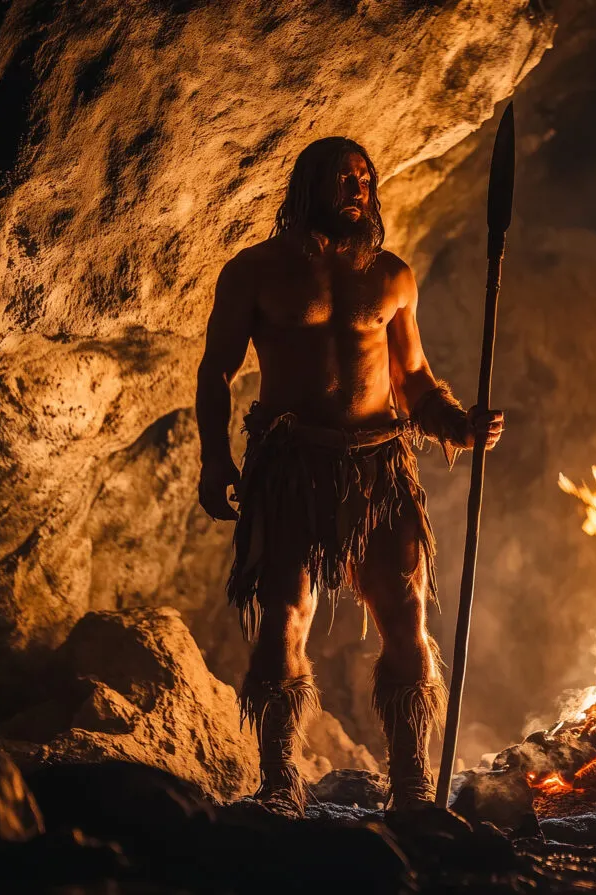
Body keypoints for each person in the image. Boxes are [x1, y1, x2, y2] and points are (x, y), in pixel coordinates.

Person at [194, 136, 503, 815]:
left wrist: (457, 425)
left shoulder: (391, 276)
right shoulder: (255, 271)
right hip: (291, 465)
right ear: (308, 188)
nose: (356, 186)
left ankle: (412, 785)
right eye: (341, 177)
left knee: (405, 613)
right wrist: (214, 456)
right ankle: (279, 782)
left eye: (363, 175)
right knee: (281, 619)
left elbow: (413, 378)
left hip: (377, 465)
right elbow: (216, 369)